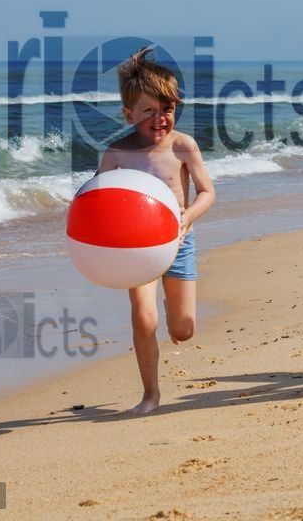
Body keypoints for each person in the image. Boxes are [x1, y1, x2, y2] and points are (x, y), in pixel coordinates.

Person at [97, 47, 216, 413]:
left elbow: (207, 192)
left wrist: (187, 216)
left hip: (179, 242)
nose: (160, 118)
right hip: (138, 248)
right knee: (144, 318)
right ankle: (150, 395)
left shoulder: (183, 146)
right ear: (128, 113)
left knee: (182, 330)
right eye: (148, 110)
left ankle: (173, 306)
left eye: (167, 108)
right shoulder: (117, 153)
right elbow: (96, 199)